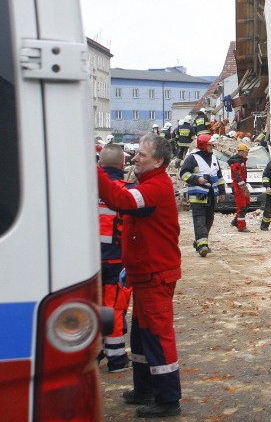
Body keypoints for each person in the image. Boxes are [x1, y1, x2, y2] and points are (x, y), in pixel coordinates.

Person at [96, 134, 182, 418]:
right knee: (143, 336)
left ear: (158, 161)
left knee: (157, 335)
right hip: (144, 275)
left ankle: (168, 399)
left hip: (155, 275)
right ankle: (144, 388)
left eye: (141, 155)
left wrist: (92, 167)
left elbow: (117, 198)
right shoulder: (147, 185)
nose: (135, 158)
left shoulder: (155, 188)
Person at [98, 144, 133, 373]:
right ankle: (117, 359)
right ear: (122, 165)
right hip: (116, 261)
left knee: (93, 307)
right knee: (115, 309)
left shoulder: (87, 191)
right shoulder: (127, 191)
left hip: (88, 264)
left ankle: (95, 351)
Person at [179, 133, 225, 256]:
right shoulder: (192, 158)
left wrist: (222, 191)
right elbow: (183, 174)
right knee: (200, 220)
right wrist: (196, 179)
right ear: (203, 145)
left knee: (209, 220)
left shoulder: (214, 158)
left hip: (211, 194)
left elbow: (219, 177)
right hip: (197, 195)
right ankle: (203, 246)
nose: (212, 146)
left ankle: (199, 241)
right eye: (210, 144)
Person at [228, 142, 252, 232]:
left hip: (242, 186)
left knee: (247, 204)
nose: (247, 154)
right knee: (241, 206)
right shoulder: (236, 162)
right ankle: (241, 226)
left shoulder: (241, 161)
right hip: (239, 187)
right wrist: (244, 187)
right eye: (246, 152)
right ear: (241, 152)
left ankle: (235, 221)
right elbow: (237, 176)